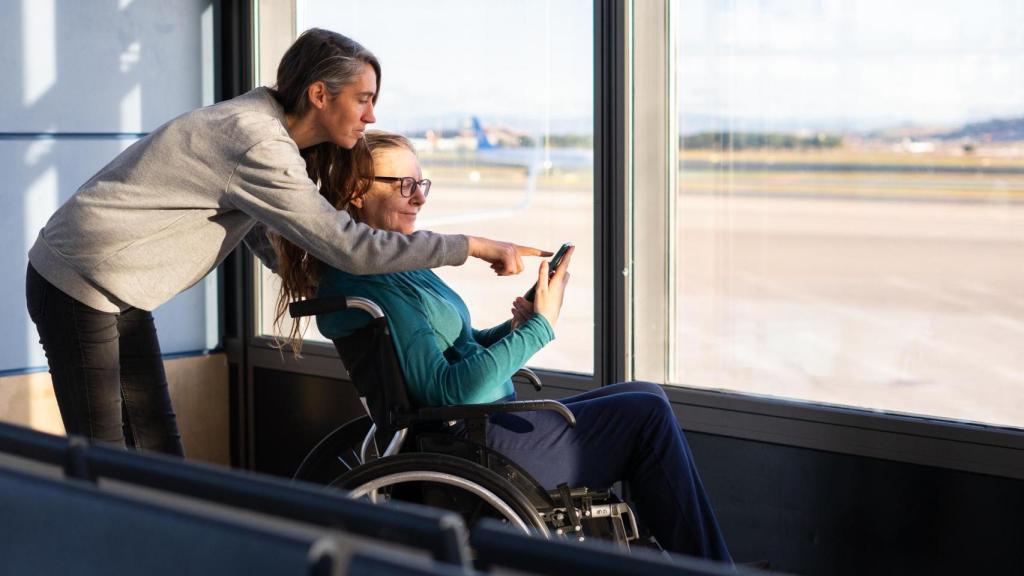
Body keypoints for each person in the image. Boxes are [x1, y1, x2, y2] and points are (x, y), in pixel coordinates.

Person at [24, 29, 543, 457]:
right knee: (102, 454)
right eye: (363, 99)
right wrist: (471, 246)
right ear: (320, 95)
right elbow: (350, 245)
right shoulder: (256, 139)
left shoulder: (266, 133)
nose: (371, 117)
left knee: (159, 449)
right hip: (78, 279)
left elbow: (260, 232)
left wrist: (328, 280)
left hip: (118, 287)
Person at [314, 131, 732, 562]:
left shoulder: (398, 263)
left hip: (478, 431)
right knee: (647, 416)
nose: (419, 198)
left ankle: (700, 563)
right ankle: (712, 569)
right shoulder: (373, 278)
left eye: (422, 185)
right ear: (356, 191)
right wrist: (541, 329)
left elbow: (464, 346)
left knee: (646, 393)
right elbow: (449, 390)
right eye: (404, 184)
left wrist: (518, 326)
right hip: (474, 445)